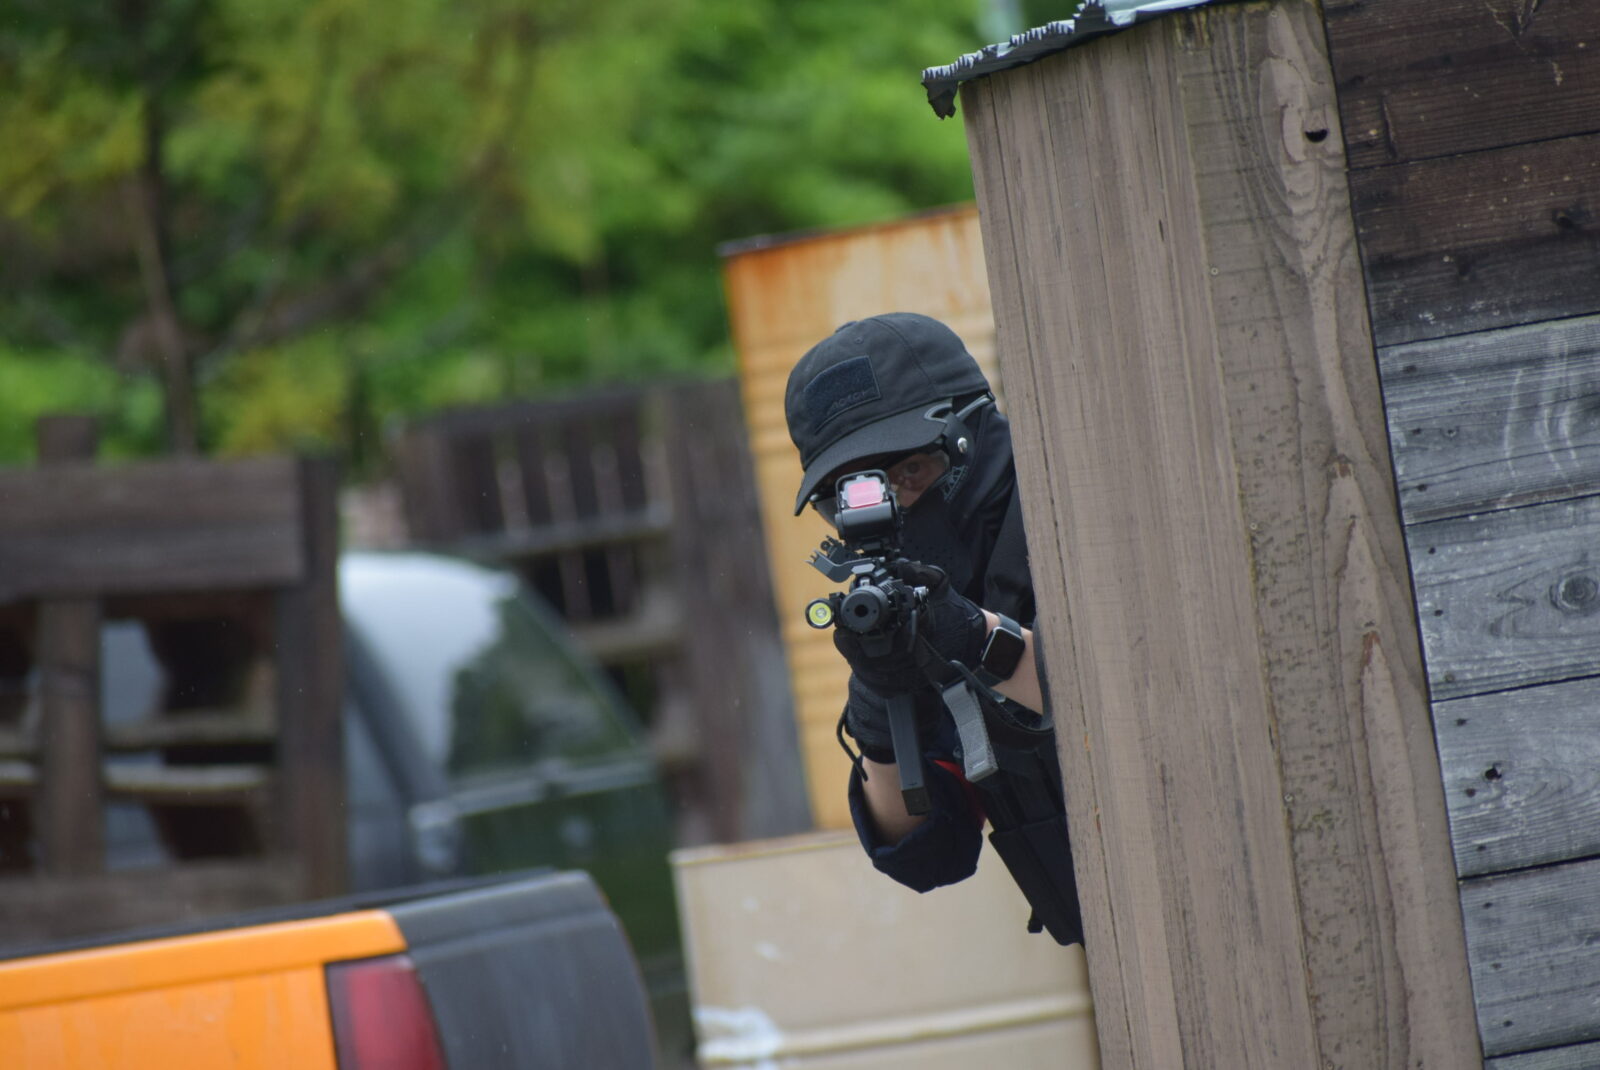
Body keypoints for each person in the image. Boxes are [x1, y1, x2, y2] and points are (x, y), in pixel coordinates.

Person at [786, 312, 1073, 917]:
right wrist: (880, 720)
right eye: (851, 496)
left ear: (970, 436)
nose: (892, 507)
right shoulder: (910, 599)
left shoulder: (1070, 507)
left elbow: (1125, 707)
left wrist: (976, 641)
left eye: (911, 471)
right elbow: (931, 855)